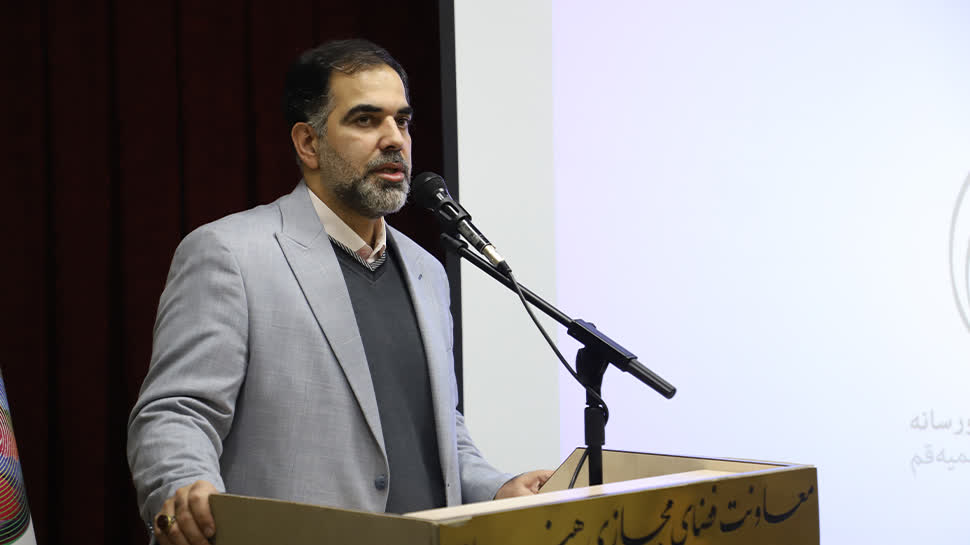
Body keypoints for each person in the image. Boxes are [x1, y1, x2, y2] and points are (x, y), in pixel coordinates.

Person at [127, 39, 552, 545]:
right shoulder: (231, 254)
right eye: (366, 120)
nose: (394, 139)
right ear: (308, 143)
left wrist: (498, 487)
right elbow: (177, 411)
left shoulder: (427, 271)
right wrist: (183, 485)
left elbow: (438, 431)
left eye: (402, 121)